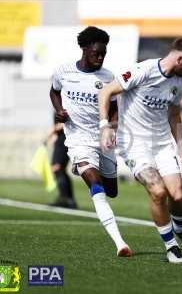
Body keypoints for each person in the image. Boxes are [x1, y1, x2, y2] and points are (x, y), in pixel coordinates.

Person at [98, 38, 182, 264]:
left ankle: (181, 229)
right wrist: (104, 126)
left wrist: (181, 145)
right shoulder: (141, 71)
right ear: (180, 59)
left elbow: (174, 114)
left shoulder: (179, 83)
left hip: (162, 143)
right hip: (134, 144)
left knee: (177, 195)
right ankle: (171, 246)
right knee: (158, 191)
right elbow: (106, 92)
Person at [49, 26, 132, 257]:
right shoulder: (63, 72)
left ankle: (97, 186)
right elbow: (54, 92)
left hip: (102, 139)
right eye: (96, 53)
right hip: (78, 140)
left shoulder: (107, 78)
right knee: (95, 184)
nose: (100, 57)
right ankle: (120, 243)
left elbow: (114, 108)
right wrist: (59, 111)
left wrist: (111, 128)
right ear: (85, 49)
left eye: (104, 54)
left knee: (111, 191)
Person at [49, 117, 77, 209]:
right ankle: (69, 199)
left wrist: (53, 130)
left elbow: (69, 121)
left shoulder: (65, 104)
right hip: (62, 138)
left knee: (57, 168)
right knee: (60, 170)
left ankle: (64, 199)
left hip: (64, 139)